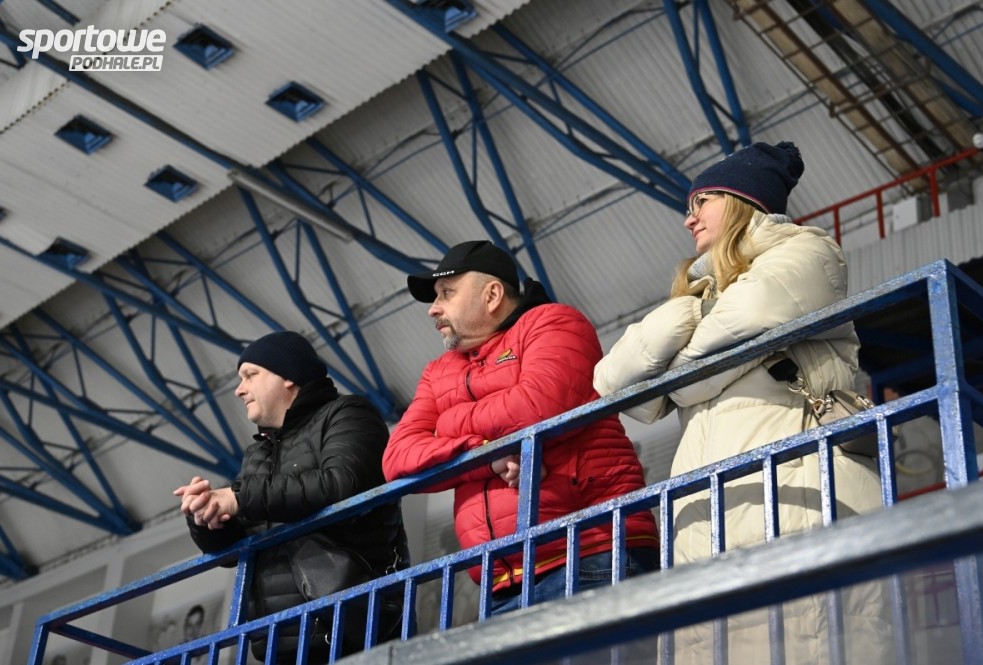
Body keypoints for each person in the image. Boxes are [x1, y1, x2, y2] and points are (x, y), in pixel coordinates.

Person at [594, 142, 892, 663]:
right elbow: (611, 383)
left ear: (741, 200)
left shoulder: (807, 253)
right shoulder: (697, 297)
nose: (688, 220)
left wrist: (673, 379)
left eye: (700, 202)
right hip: (709, 513)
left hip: (797, 491)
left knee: (809, 640)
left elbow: (743, 319)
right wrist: (684, 314)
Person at [382, 240, 660, 617]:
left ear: (492, 295)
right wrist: (487, 457)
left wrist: (447, 424)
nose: (434, 308)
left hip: (594, 550)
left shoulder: (553, 322)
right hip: (501, 584)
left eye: (447, 293)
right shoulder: (437, 372)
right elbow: (397, 459)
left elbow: (538, 405)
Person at [173, 331, 410, 663]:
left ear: (288, 376)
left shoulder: (348, 413)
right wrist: (207, 518)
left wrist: (239, 497)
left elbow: (343, 484)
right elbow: (235, 546)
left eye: (250, 375)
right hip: (278, 639)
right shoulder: (256, 453)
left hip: (353, 623)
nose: (239, 389)